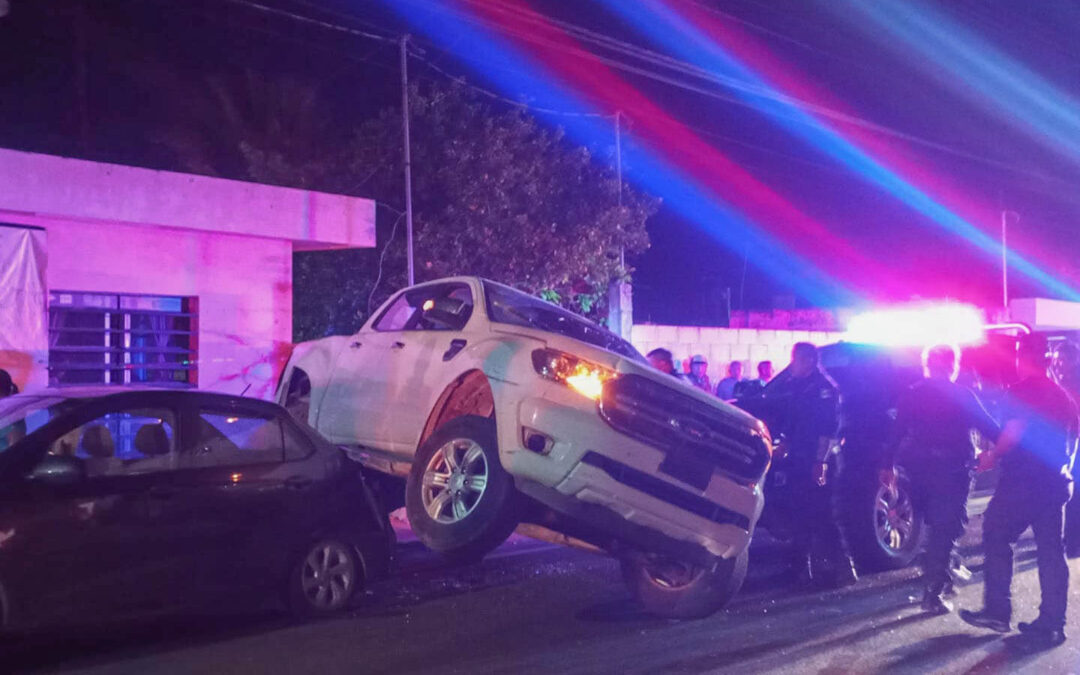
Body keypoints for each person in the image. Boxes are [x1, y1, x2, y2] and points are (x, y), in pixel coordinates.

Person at [960, 336, 1078, 648]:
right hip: (1056, 482)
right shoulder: (1064, 396)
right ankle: (1053, 624)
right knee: (1052, 552)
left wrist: (991, 456)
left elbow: (1014, 431)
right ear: (1049, 360)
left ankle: (998, 611)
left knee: (997, 533)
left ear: (1023, 357)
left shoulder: (1022, 390)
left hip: (1025, 481)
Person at [882, 344, 1000, 615]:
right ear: (953, 365)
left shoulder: (912, 394)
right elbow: (990, 427)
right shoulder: (962, 395)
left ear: (928, 365)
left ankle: (947, 570)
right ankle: (934, 593)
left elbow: (896, 432)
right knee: (945, 529)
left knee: (933, 528)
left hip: (916, 470)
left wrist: (887, 465)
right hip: (951, 470)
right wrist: (1002, 448)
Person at [765, 342, 857, 587]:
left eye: (795, 360)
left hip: (821, 459)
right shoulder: (797, 387)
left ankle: (843, 569)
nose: (792, 365)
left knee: (824, 514)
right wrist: (783, 444)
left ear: (807, 361)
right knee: (799, 513)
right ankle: (800, 570)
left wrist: (821, 462)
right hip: (799, 457)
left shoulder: (825, 390)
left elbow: (829, 429)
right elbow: (791, 422)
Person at [1052, 341, 1080, 557]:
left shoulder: (1075, 383)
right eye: (1057, 359)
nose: (1059, 363)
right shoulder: (1059, 381)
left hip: (1075, 442)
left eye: (1063, 359)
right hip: (1063, 442)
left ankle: (1072, 541)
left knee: (1074, 494)